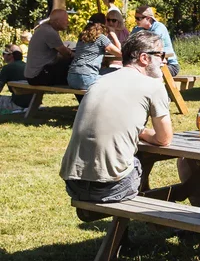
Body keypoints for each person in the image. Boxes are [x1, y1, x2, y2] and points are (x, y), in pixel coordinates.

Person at [59, 32, 173, 204]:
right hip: (110, 187)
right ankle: (156, 212)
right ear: (144, 58)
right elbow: (164, 139)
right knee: (139, 162)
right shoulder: (154, 86)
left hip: (74, 184)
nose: (164, 61)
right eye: (161, 55)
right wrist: (141, 132)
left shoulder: (99, 81)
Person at [67, 20, 122, 91]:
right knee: (117, 73)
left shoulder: (81, 37)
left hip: (71, 78)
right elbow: (120, 53)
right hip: (86, 78)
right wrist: (113, 34)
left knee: (109, 70)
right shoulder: (101, 37)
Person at [129, 6, 181, 77]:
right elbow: (129, 45)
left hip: (168, 64)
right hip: (148, 64)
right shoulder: (137, 29)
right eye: (135, 18)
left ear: (148, 18)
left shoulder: (159, 28)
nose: (136, 21)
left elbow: (151, 47)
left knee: (145, 74)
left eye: (138, 18)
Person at [25, 9, 73, 86]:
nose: (68, 22)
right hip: (38, 76)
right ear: (57, 21)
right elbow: (66, 54)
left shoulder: (43, 28)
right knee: (73, 65)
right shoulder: (50, 32)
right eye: (66, 20)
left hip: (32, 75)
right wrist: (73, 52)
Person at [0, 45, 30, 112]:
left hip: (17, 104)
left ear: (11, 55)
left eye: (4, 53)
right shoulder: (28, 66)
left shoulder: (7, 68)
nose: (3, 55)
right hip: (34, 102)